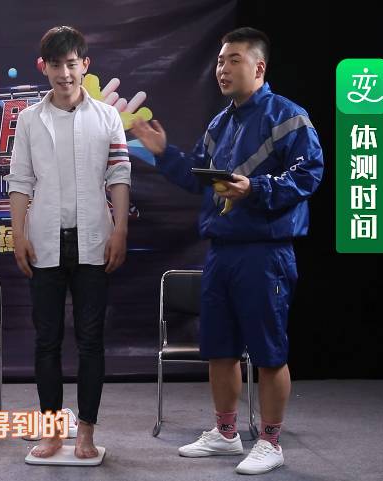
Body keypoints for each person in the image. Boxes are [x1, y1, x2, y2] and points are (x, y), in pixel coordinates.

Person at [131, 27, 323, 475]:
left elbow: (310, 174)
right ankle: (225, 433)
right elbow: (198, 177)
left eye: (233, 59)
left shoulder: (288, 116)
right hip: (221, 251)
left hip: (265, 252)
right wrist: (164, 153)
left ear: (259, 67)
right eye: (220, 60)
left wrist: (256, 188)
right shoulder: (220, 124)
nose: (222, 68)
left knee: (269, 353)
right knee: (219, 349)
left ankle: (271, 442)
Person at [5, 25, 131, 459]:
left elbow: (119, 175)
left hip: (95, 239)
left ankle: (86, 432)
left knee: (91, 340)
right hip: (44, 241)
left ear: (85, 65)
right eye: (56, 65)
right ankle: (53, 430)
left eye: (71, 64)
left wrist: (120, 229)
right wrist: (18, 235)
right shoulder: (29, 118)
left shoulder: (107, 117)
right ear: (43, 67)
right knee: (47, 340)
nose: (64, 73)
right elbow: (20, 180)